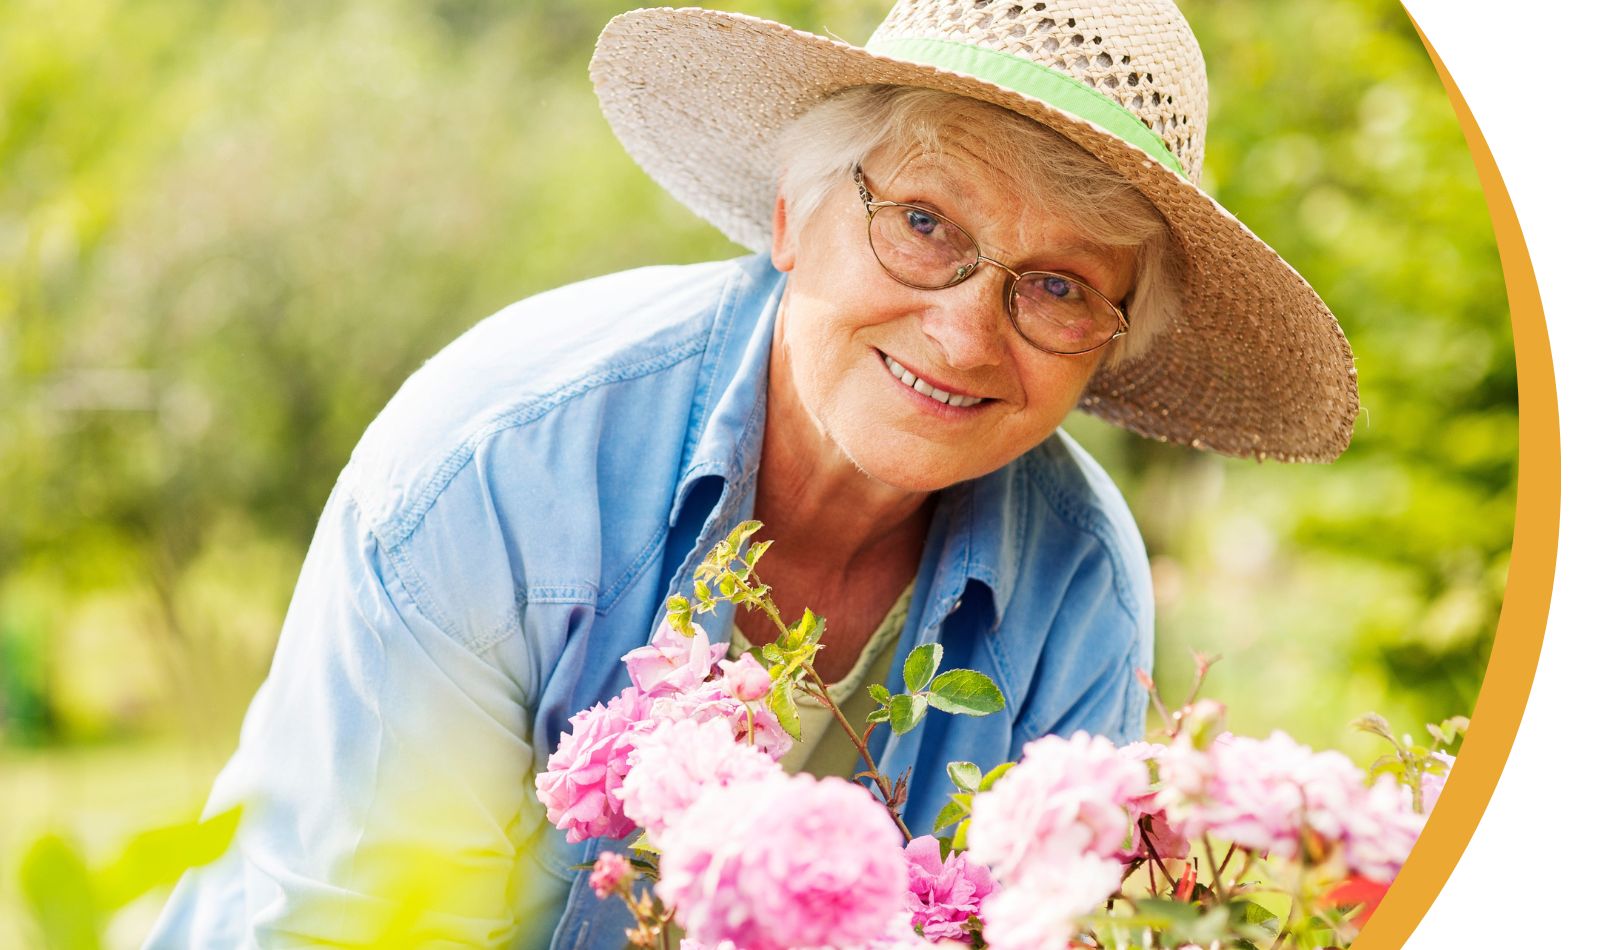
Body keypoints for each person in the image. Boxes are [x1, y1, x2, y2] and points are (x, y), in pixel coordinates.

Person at [148, 0, 1357, 946]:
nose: (964, 334)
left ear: (1105, 347)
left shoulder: (1079, 584)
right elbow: (369, 930)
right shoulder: (504, 467)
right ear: (792, 214)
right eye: (926, 223)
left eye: (1056, 286)